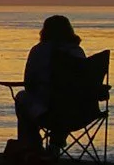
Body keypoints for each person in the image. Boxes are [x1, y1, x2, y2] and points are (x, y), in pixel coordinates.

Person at [14, 13, 88, 156]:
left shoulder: (39, 50)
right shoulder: (77, 51)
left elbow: (29, 83)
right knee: (65, 100)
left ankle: (33, 146)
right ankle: (55, 143)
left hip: (49, 113)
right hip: (80, 113)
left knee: (22, 97)